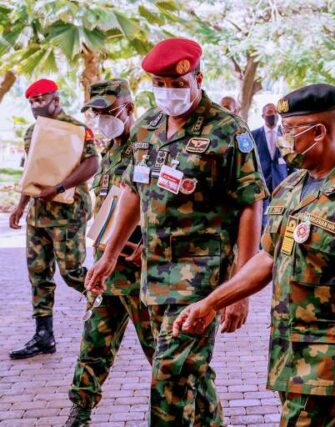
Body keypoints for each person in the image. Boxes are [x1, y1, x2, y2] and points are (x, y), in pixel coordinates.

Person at [172, 83, 335, 426]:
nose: (283, 137)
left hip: (328, 360)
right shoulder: (291, 187)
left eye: (291, 130)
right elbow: (267, 258)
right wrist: (211, 303)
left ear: (319, 131)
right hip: (288, 353)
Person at [84, 38, 268, 427]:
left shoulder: (227, 131)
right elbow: (134, 192)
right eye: (160, 84)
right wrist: (110, 254)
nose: (168, 92)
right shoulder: (147, 127)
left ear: (197, 79)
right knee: (190, 373)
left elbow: (250, 204)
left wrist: (242, 285)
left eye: (176, 83)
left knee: (168, 373)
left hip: (201, 276)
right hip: (152, 274)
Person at [64, 78, 156, 427]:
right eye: (96, 114)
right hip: (107, 272)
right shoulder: (111, 151)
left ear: (129, 109)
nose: (101, 120)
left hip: (141, 272)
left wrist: (147, 243)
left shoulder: (148, 148)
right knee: (94, 345)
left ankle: (173, 412)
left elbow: (162, 206)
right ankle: (81, 411)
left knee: (159, 352)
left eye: (108, 112)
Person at [9, 79, 99, 360]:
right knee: (38, 274)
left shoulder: (76, 129)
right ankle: (43, 336)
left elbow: (92, 163)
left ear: (55, 99)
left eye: (41, 99)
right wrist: (21, 206)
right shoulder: (31, 132)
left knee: (72, 271)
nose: (37, 105)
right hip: (39, 215)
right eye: (32, 101)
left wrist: (59, 187)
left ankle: (111, 307)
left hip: (68, 212)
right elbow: (32, 174)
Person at [251, 102, 292, 229]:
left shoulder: (286, 135)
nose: (273, 115)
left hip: (281, 183)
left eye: (275, 112)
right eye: (269, 112)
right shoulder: (253, 135)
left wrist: (292, 181)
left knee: (279, 219)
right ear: (263, 116)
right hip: (261, 183)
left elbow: (292, 161)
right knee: (261, 219)